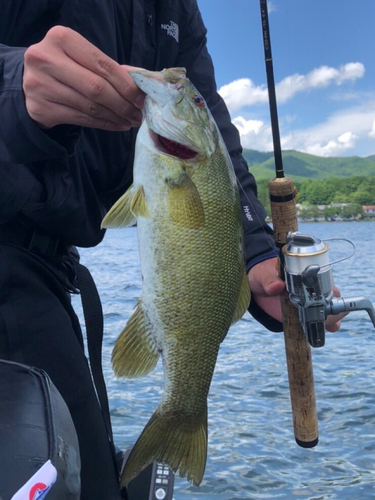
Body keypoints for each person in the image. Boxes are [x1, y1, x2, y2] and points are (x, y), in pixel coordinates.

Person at [0, 1, 345, 498]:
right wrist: (15, 85)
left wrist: (255, 253)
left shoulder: (177, 9)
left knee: (91, 481)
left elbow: (216, 147)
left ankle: (182, 412)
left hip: (53, 278)